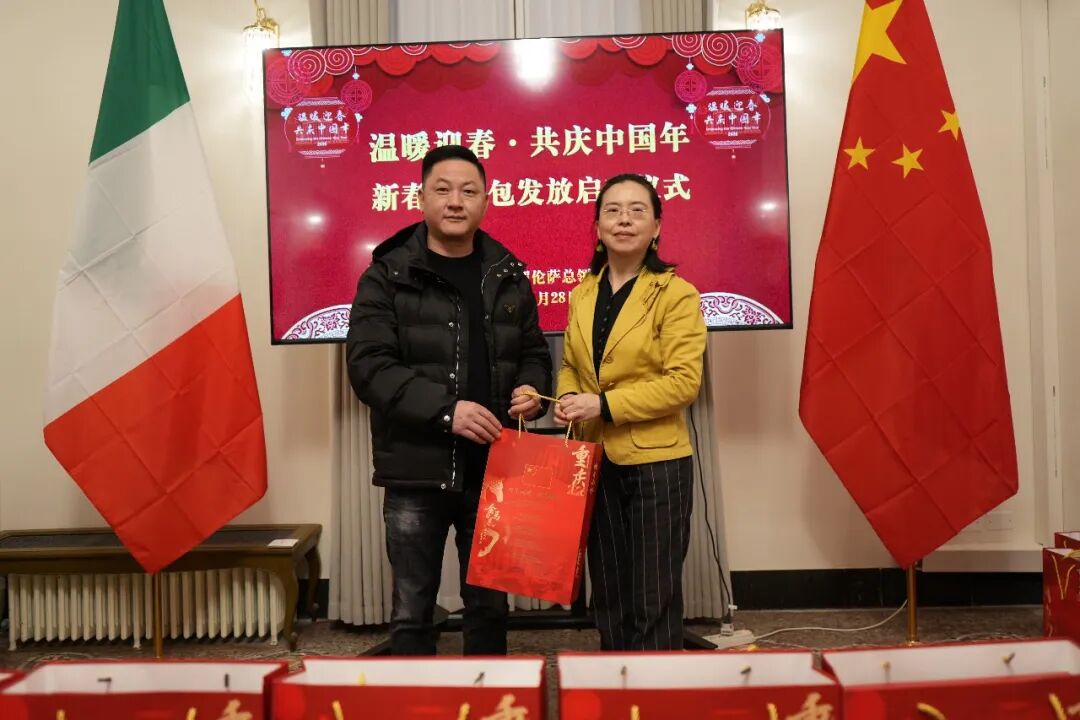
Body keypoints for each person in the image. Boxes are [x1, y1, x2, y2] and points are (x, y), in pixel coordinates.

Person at [346, 145, 552, 655]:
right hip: (416, 468)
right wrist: (446, 411)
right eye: (442, 189)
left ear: (486, 201)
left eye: (468, 191)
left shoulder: (508, 275)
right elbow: (370, 367)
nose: (455, 201)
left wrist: (532, 391)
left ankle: (491, 695)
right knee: (412, 608)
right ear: (420, 198)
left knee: (489, 605)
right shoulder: (387, 275)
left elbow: (533, 353)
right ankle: (419, 696)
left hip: (494, 467)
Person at [555, 173, 707, 651]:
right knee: (609, 585)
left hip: (657, 462)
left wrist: (601, 404)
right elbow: (570, 365)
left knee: (653, 590)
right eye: (613, 210)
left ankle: (653, 682)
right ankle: (614, 675)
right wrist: (567, 399)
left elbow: (683, 383)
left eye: (637, 210)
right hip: (596, 457)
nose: (624, 220)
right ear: (597, 226)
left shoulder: (676, 294)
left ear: (656, 227)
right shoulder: (583, 292)